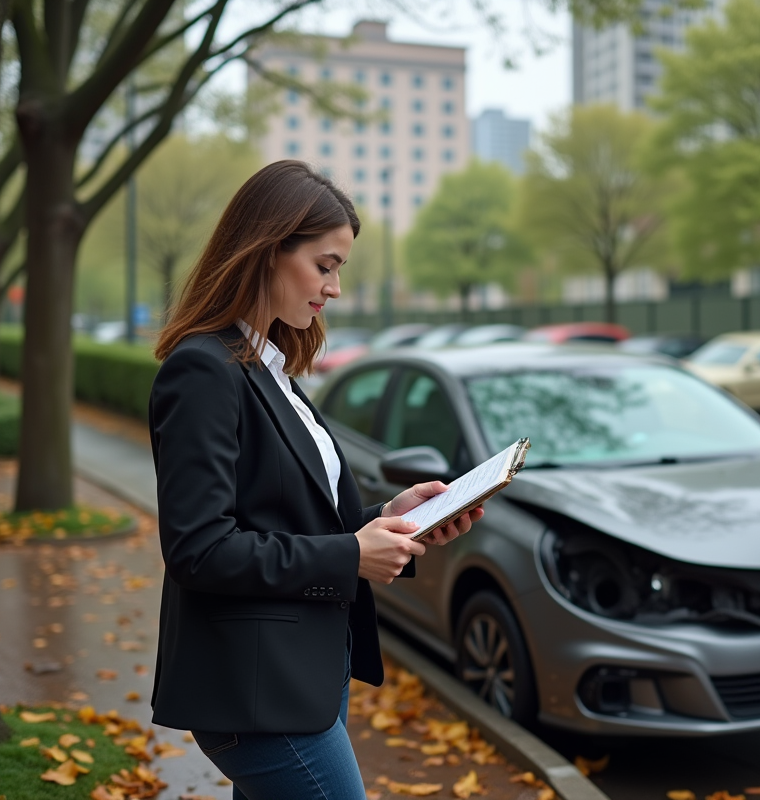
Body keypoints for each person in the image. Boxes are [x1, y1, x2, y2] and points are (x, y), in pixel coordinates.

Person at [148, 160, 483, 799]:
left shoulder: (271, 370)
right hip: (252, 693)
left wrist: (397, 517)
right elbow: (200, 550)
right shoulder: (202, 372)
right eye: (324, 265)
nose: (333, 287)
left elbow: (289, 517)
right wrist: (354, 553)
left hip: (303, 676)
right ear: (269, 250)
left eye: (339, 270)